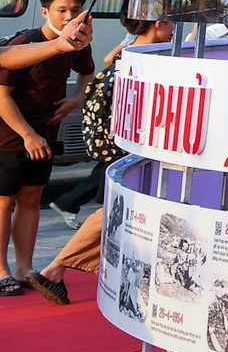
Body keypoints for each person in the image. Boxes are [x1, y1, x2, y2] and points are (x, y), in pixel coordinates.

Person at [26, 17, 175, 305]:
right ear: (159, 24)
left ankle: (60, 269)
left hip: (125, 148)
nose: (173, 30)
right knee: (115, 212)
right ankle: (56, 268)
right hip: (137, 149)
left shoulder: (130, 53)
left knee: (120, 211)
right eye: (170, 25)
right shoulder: (148, 60)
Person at [0, 0, 95, 297]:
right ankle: (1, 271)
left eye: (75, 10)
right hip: (9, 134)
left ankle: (24, 268)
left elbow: (87, 72)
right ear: (45, 12)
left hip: (46, 131)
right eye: (62, 10)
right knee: (4, 201)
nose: (70, 17)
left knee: (32, 197)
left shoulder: (79, 43)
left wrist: (77, 98)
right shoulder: (24, 42)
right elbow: (1, 95)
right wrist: (27, 135)